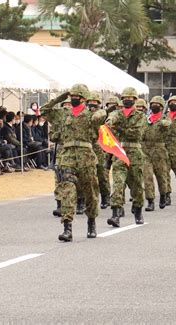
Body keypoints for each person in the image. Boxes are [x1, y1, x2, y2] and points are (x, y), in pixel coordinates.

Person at [41, 84, 105, 241]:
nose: (74, 98)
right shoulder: (64, 113)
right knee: (67, 190)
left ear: (84, 99)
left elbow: (102, 116)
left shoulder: (91, 115)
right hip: (67, 156)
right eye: (72, 96)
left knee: (90, 191)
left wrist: (99, 111)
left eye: (77, 96)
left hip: (86, 157)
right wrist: (61, 97)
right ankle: (67, 228)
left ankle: (91, 222)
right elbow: (44, 111)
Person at [106, 87, 146, 228]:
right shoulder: (118, 114)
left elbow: (136, 134)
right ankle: (115, 214)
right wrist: (110, 122)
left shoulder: (140, 116)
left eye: (130, 98)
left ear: (135, 100)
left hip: (135, 153)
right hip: (120, 153)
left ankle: (138, 210)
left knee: (136, 185)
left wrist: (119, 128)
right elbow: (111, 119)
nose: (127, 100)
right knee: (118, 184)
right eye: (125, 98)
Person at [143, 96, 171, 211]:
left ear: (161, 107)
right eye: (152, 104)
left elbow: (167, 124)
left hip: (159, 151)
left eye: (157, 104)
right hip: (146, 150)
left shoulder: (165, 118)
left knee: (161, 176)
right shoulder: (147, 119)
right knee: (147, 176)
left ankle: (163, 195)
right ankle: (150, 200)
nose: (154, 106)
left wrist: (159, 121)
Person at [86, 91, 111, 209]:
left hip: (98, 145)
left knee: (101, 173)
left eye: (94, 102)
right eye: (90, 102)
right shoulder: (84, 113)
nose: (92, 104)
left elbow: (100, 117)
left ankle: (105, 196)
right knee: (86, 174)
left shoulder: (101, 113)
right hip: (86, 146)